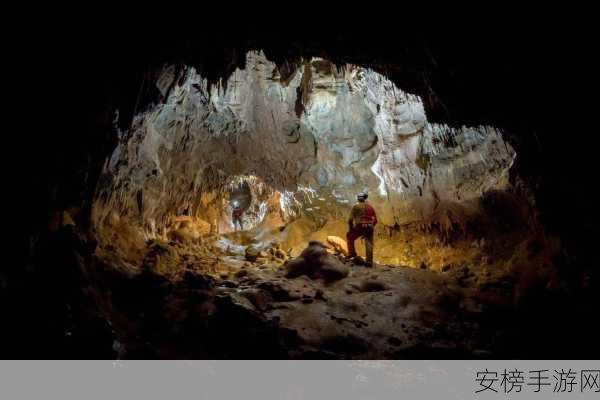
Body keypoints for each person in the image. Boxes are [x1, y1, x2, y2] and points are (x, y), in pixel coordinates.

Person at [346, 192, 377, 267]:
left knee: (349, 236)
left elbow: (350, 220)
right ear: (365, 199)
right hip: (370, 226)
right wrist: (371, 226)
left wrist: (351, 229)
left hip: (360, 225)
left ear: (358, 199)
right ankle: (369, 261)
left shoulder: (355, 207)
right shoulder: (370, 207)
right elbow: (375, 220)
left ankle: (352, 254)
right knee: (369, 242)